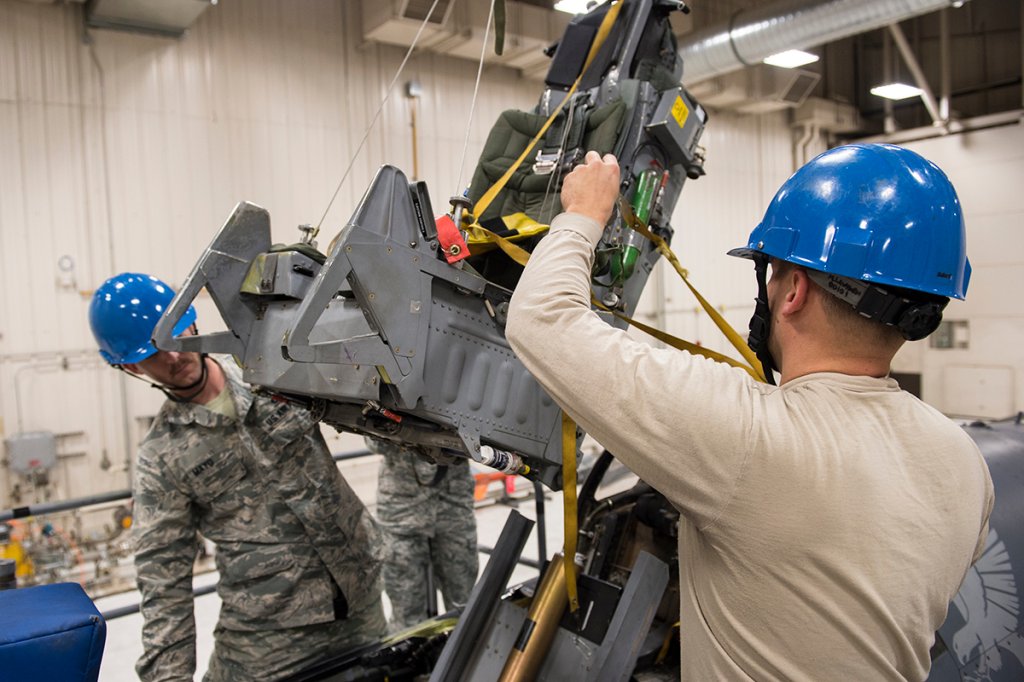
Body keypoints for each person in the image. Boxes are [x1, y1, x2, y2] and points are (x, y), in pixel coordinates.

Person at [505, 145, 994, 680]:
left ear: (794, 291)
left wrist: (582, 215)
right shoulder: (965, 464)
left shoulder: (747, 435)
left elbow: (542, 320)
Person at [89, 273, 386, 682]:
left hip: (361, 597)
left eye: (173, 336)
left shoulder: (271, 370)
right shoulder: (161, 459)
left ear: (190, 320)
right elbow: (163, 579)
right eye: (152, 353)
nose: (173, 357)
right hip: (268, 636)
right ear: (128, 366)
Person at [364, 436, 478, 631]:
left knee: (465, 603)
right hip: (401, 504)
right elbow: (374, 442)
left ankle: (468, 656)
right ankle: (413, 658)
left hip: (453, 501)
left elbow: (479, 441)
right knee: (407, 611)